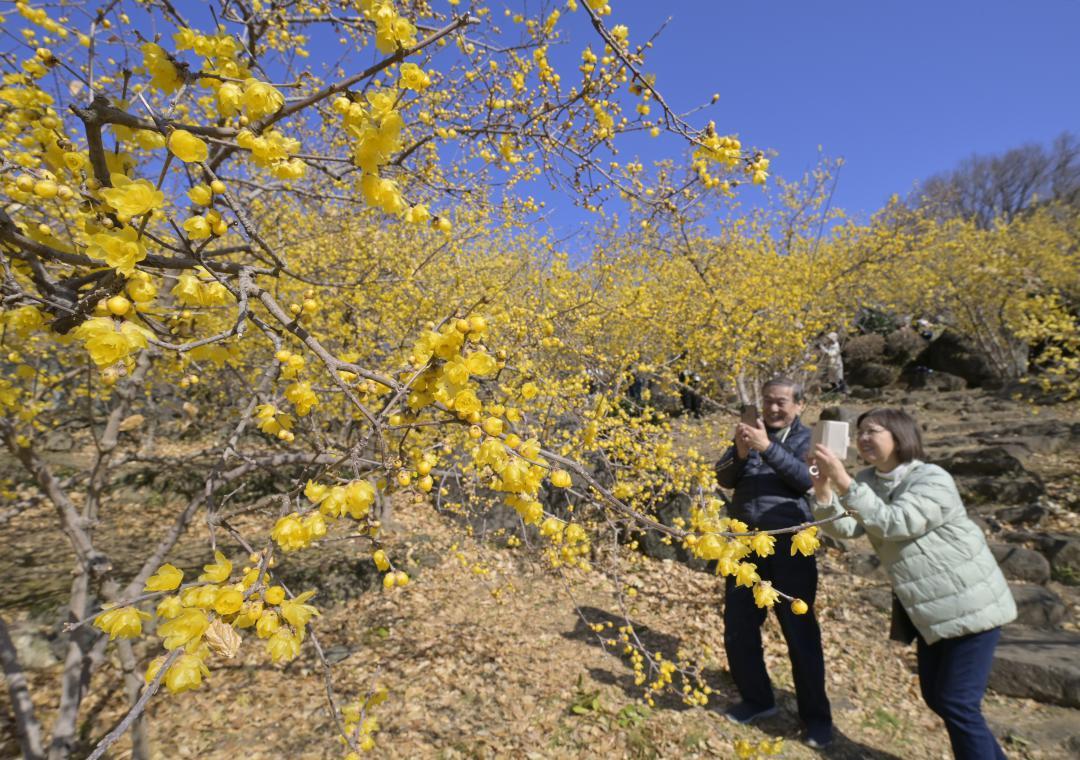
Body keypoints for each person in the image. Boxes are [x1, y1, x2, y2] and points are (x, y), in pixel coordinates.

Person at [809, 408, 1016, 760]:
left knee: (956, 701)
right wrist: (823, 491)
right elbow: (848, 528)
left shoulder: (931, 478)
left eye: (873, 431)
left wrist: (844, 481)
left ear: (900, 437)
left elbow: (896, 522)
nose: (863, 439)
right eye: (860, 433)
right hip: (929, 610)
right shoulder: (869, 481)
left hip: (969, 605)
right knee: (938, 697)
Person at [715, 377, 833, 748]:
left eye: (782, 402)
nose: (774, 408)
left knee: (800, 634)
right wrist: (740, 450)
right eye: (768, 401)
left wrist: (766, 448)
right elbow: (723, 476)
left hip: (790, 547)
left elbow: (810, 481)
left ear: (799, 405)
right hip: (746, 548)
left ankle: (816, 718)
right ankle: (757, 700)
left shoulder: (811, 441)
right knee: (738, 627)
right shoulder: (752, 432)